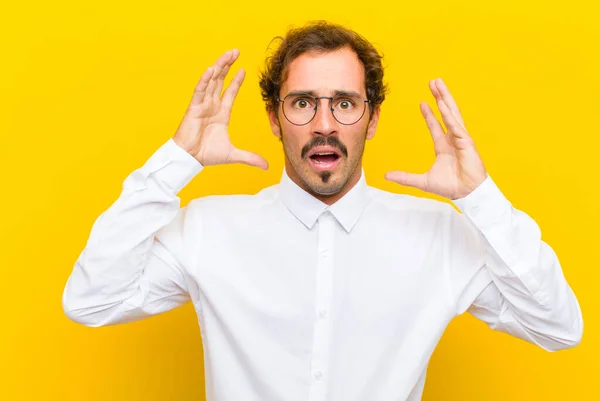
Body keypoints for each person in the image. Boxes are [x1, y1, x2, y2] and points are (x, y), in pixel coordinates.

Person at [62, 21, 583, 401]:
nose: (324, 124)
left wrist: (480, 199)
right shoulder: (207, 228)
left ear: (372, 119)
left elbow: (558, 328)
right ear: (274, 117)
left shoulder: (439, 236)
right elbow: (90, 300)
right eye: (303, 102)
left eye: (345, 103)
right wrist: (176, 163)